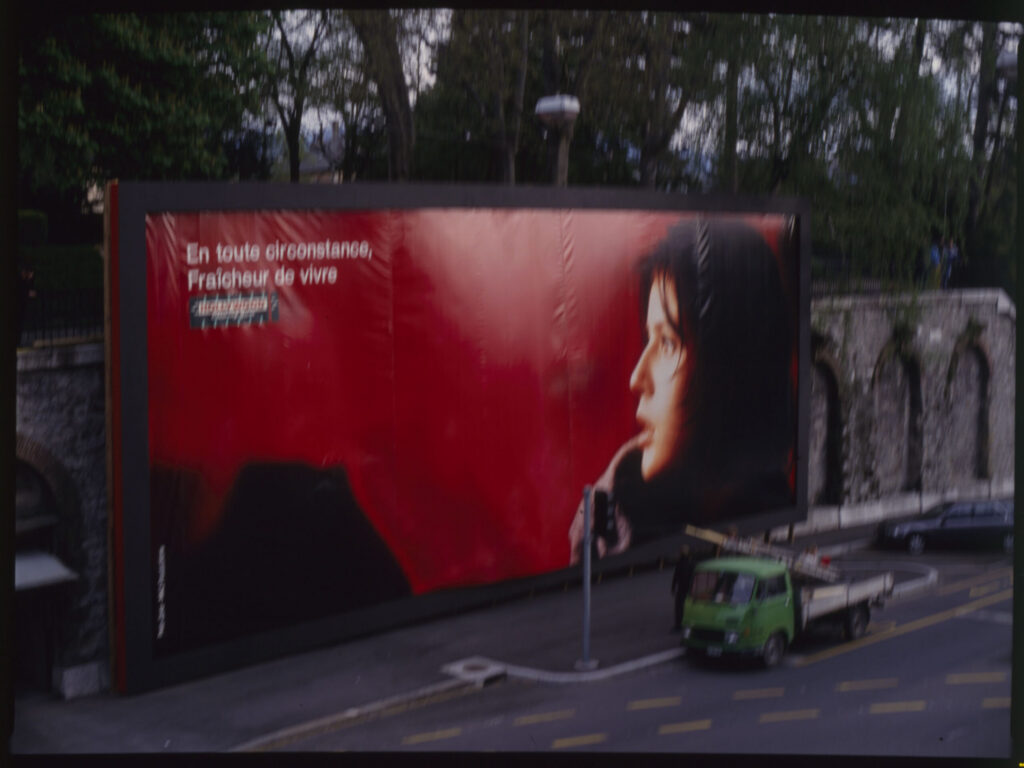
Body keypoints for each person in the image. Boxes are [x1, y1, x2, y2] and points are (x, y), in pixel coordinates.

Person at [569, 217, 795, 564]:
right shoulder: (618, 516)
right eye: (650, 339)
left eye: (668, 342)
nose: (636, 379)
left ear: (727, 369)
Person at [670, 544, 695, 631]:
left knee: (679, 607)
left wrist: (673, 587)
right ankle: (685, 624)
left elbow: (676, 576)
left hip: (682, 588)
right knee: (686, 606)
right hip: (688, 588)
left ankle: (679, 625)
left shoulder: (680, 562)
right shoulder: (691, 562)